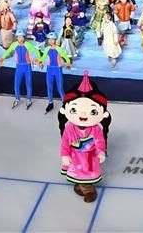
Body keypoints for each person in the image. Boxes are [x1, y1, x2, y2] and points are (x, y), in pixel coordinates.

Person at [57, 72, 112, 203]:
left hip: (89, 158)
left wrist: (101, 151)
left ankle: (88, 190)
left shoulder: (96, 129)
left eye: (93, 111)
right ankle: (82, 186)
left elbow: (99, 141)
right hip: (75, 157)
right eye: (74, 110)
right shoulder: (69, 128)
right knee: (78, 174)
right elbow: (65, 143)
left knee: (87, 176)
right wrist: (65, 155)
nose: (82, 115)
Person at [1, 31, 36, 107]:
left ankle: (29, 99)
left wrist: (39, 60)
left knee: (28, 84)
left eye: (22, 37)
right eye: (19, 37)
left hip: (27, 66)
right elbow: (8, 51)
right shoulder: (14, 45)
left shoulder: (28, 45)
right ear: (17, 38)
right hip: (19, 67)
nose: (20, 38)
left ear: (24, 37)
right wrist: (2, 58)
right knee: (16, 84)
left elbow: (36, 51)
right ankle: (17, 98)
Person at [41, 38, 70, 113]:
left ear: (55, 40)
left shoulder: (59, 49)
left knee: (60, 87)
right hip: (49, 69)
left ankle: (65, 103)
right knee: (49, 87)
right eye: (49, 39)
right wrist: (39, 61)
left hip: (57, 69)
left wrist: (68, 63)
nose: (51, 41)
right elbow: (43, 57)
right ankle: (50, 103)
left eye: (52, 39)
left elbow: (66, 58)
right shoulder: (47, 49)